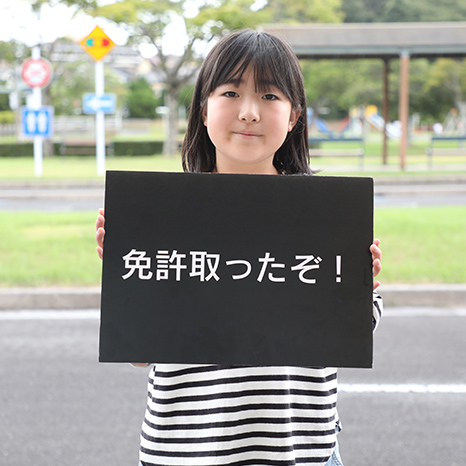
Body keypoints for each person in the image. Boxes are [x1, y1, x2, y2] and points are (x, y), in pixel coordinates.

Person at [96, 29, 383, 466]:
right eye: (230, 91)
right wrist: (126, 285)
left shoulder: (326, 216)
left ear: (294, 117)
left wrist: (359, 287)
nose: (249, 112)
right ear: (204, 110)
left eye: (270, 97)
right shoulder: (162, 214)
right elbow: (140, 355)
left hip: (300, 450)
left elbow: (351, 332)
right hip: (185, 451)